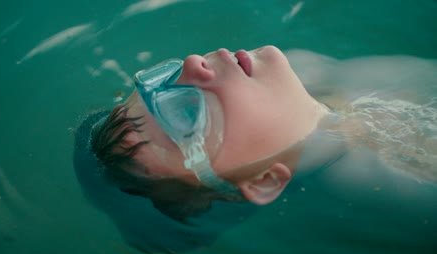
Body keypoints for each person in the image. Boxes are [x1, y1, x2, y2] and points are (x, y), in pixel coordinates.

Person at [85, 45, 437, 218]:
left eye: (168, 77)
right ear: (264, 180)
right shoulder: (370, 175)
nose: (194, 63)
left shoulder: (305, 68)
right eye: (188, 111)